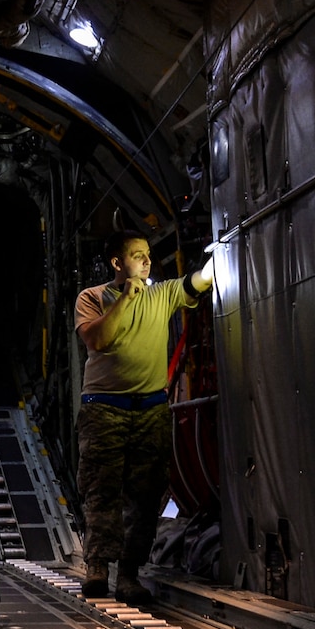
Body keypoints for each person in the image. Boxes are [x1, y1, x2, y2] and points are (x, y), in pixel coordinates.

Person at [72, 235, 214, 601]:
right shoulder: (92, 298)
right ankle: (98, 569)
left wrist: (216, 264)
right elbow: (98, 340)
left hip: (150, 409)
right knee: (102, 491)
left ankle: (130, 574)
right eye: (138, 256)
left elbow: (195, 282)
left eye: (149, 256)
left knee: (145, 494)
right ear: (117, 263)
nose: (148, 262)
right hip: (104, 408)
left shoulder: (162, 294)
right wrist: (126, 298)